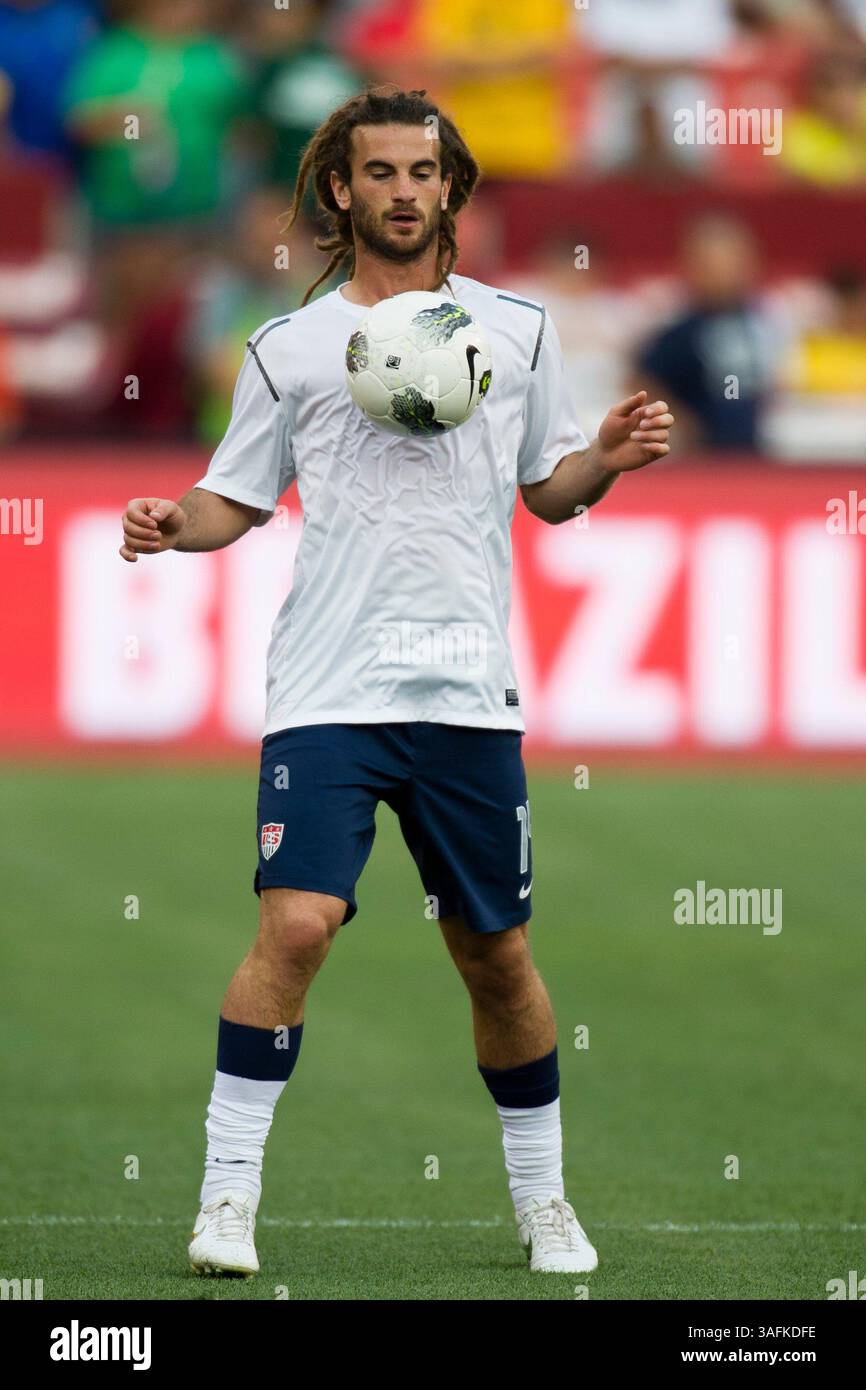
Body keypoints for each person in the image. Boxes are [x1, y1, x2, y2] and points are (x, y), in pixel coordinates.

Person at [118, 86, 674, 1279]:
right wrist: (174, 522)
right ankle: (225, 1201)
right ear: (341, 188)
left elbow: (546, 490)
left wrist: (607, 463)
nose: (403, 193)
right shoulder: (290, 344)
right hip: (327, 686)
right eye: (379, 174)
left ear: (450, 188)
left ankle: (543, 1201)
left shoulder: (516, 330)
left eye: (423, 174)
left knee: (496, 953)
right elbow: (238, 496)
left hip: (467, 689)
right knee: (298, 923)